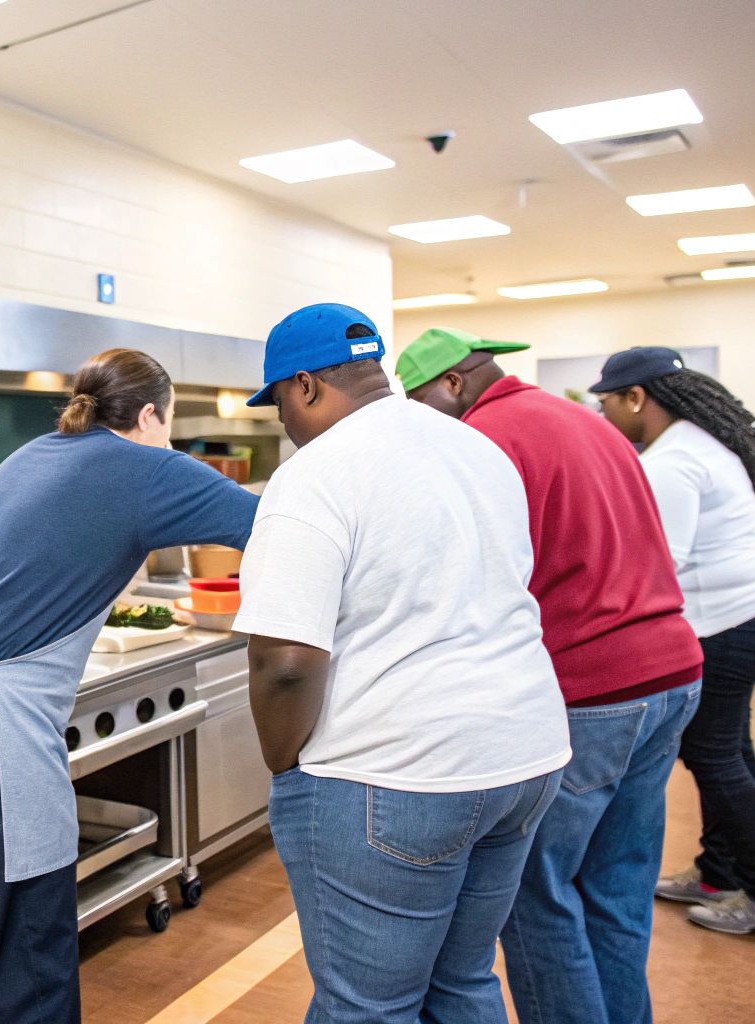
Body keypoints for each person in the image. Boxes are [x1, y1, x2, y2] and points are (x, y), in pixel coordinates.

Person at [0, 348, 258, 1024]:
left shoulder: (33, 453)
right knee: (29, 934)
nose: (170, 439)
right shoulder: (149, 466)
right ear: (149, 415)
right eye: (169, 423)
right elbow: (280, 527)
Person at [234, 304, 571, 1024]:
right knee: (464, 980)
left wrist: (285, 763)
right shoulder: (477, 449)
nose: (286, 424)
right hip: (524, 754)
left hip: (396, 775)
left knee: (367, 1006)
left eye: (281, 406)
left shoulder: (314, 474)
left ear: (305, 386)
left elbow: (286, 661)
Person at [397, 328, 703, 1024]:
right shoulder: (585, 422)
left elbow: (477, 580)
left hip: (591, 692)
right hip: (671, 674)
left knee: (538, 899)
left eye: (418, 404)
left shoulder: (486, 438)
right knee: (617, 890)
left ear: (451, 383)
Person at [590, 346, 755, 936]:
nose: (604, 415)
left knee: (713, 756)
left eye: (607, 402)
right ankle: (717, 874)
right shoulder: (702, 442)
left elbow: (665, 567)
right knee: (730, 749)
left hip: (730, 624)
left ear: (636, 399)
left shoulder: (672, 463)